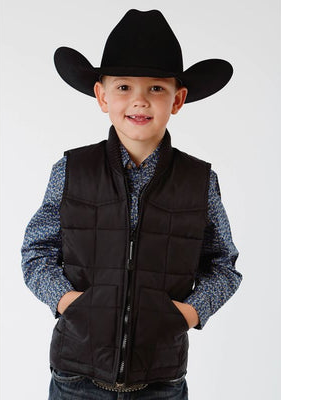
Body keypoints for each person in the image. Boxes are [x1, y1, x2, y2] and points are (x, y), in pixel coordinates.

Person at [21, 9, 243, 400]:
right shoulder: (72, 170)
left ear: (178, 99)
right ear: (102, 95)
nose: (139, 101)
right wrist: (70, 303)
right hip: (76, 378)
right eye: (124, 87)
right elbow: (37, 251)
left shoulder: (199, 181)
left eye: (156, 88)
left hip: (160, 381)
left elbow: (223, 265)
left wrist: (189, 312)